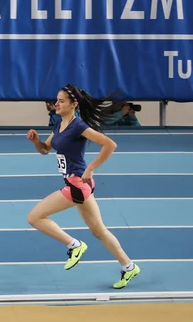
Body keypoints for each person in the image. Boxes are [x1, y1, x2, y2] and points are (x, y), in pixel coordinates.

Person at [26, 84, 140, 289]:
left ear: (74, 104)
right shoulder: (59, 124)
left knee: (34, 217)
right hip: (78, 185)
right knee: (99, 231)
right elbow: (45, 149)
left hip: (77, 184)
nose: (56, 104)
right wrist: (36, 141)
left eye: (61, 101)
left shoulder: (78, 126)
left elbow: (110, 144)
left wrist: (91, 169)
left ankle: (74, 245)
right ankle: (129, 266)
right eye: (57, 100)